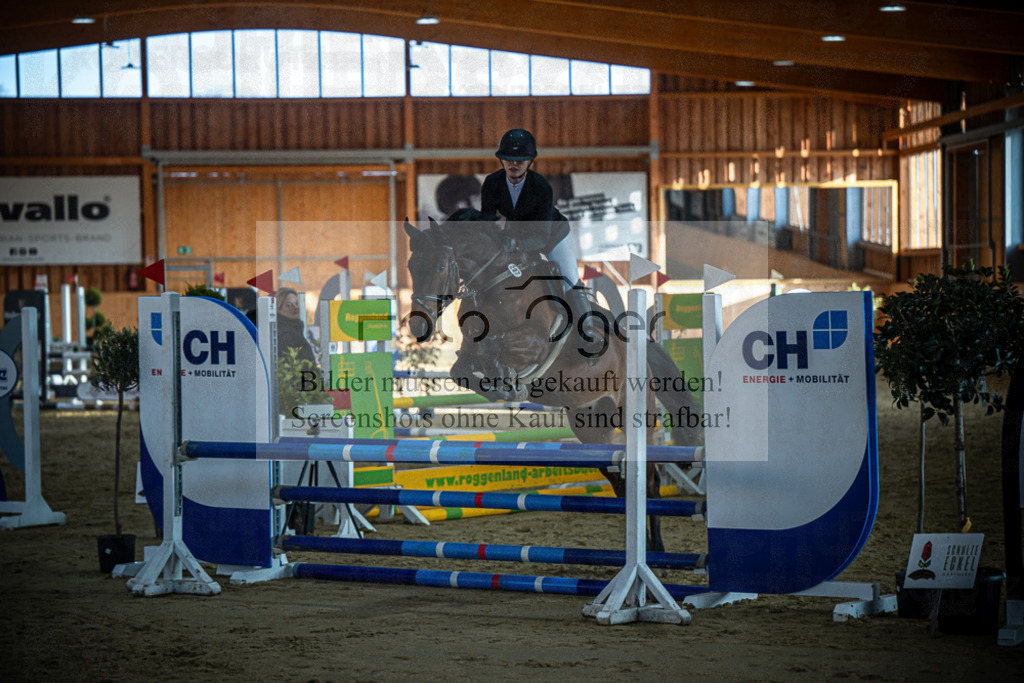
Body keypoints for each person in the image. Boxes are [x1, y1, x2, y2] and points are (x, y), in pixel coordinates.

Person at [480, 128, 598, 338]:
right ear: (501, 160)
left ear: (530, 162)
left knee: (569, 280)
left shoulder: (541, 187)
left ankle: (587, 332)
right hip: (514, 236)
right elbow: (486, 221)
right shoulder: (491, 183)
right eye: (508, 159)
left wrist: (516, 245)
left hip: (552, 236)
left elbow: (541, 237)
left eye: (520, 160)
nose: (514, 164)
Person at [275, 287, 316, 368]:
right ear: (278, 309)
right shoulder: (286, 335)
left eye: (296, 303)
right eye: (289, 305)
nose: (295, 307)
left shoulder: (295, 329)